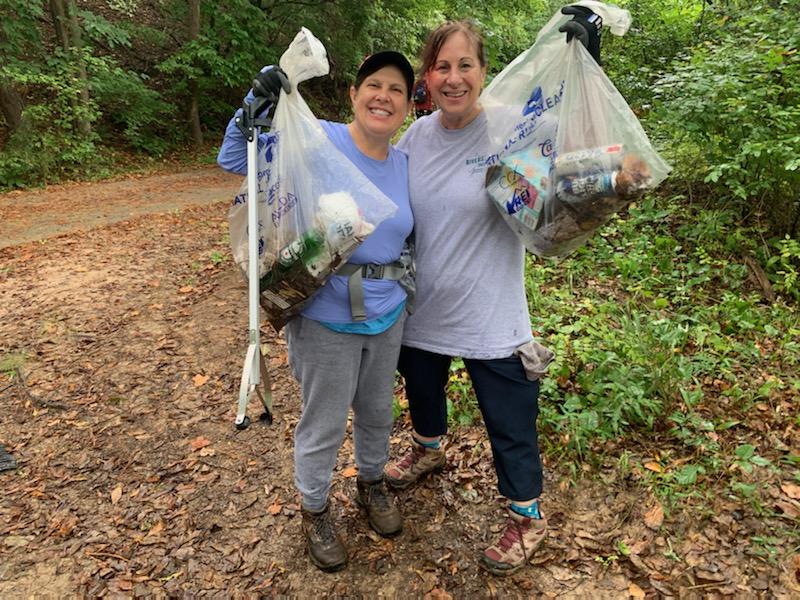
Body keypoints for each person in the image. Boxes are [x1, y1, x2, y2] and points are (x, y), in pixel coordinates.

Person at [384, 8, 602, 576]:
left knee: (510, 419)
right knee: (423, 392)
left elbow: (577, 152)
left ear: (484, 71)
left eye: (464, 65)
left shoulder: (512, 125)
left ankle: (527, 517)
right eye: (440, 67)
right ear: (426, 79)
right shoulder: (416, 136)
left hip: (491, 311)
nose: (452, 77)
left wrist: (585, 61)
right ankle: (429, 450)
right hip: (424, 306)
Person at [217, 51, 415, 573]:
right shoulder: (318, 141)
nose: (383, 97)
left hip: (388, 310)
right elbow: (237, 158)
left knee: (376, 412)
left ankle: (372, 484)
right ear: (353, 93)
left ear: (407, 106)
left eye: (396, 89)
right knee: (324, 422)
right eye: (373, 84)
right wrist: (254, 104)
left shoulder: (404, 164)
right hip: (324, 314)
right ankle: (315, 509)